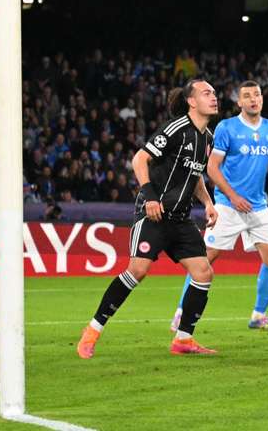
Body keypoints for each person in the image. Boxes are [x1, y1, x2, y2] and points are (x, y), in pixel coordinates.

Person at [77, 80, 219, 358]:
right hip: (154, 213)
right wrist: (150, 197)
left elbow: (195, 175)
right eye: (206, 93)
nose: (213, 97)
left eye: (214, 93)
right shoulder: (175, 129)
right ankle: (92, 330)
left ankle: (183, 340)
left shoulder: (208, 138)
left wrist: (208, 203)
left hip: (180, 218)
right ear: (192, 101)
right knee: (137, 271)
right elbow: (139, 160)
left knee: (203, 273)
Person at [170, 80, 268, 334]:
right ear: (239, 102)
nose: (253, 99)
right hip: (227, 205)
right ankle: (181, 313)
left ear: (262, 99)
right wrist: (232, 196)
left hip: (257, 206)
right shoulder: (227, 128)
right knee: (205, 260)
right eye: (247, 96)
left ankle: (258, 315)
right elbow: (211, 168)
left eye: (257, 95)